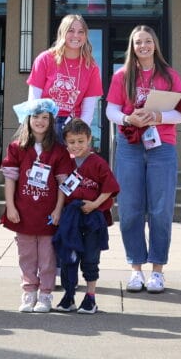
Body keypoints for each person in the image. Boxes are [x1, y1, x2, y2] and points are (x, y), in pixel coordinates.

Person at [104, 24, 181, 293]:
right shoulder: (122, 76)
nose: (143, 46)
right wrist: (127, 118)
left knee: (160, 209)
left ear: (155, 44)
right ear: (132, 47)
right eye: (137, 42)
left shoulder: (169, 76)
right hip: (130, 146)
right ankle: (135, 269)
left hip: (161, 146)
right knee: (130, 209)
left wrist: (158, 117)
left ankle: (157, 270)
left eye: (147, 41)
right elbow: (110, 109)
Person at [1, 98, 67, 312]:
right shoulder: (16, 148)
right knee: (26, 254)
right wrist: (10, 206)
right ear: (27, 119)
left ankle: (46, 294)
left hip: (48, 213)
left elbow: (62, 184)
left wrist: (58, 209)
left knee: (48, 257)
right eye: (36, 117)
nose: (40, 121)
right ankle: (29, 292)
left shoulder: (59, 150)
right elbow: (10, 179)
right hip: (24, 212)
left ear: (51, 121)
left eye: (45, 117)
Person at [52, 118, 119, 314]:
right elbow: (62, 189)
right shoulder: (66, 162)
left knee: (90, 258)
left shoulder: (98, 162)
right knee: (68, 257)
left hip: (92, 218)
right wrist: (58, 210)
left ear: (89, 139)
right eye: (72, 142)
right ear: (65, 143)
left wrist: (95, 204)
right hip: (71, 218)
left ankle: (90, 297)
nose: (76, 146)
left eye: (81, 141)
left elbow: (110, 188)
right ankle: (69, 295)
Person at [27, 14, 102, 130]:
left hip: (71, 125)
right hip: (45, 121)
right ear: (62, 32)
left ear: (85, 35)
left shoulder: (91, 67)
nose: (76, 35)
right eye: (71, 31)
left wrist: (80, 131)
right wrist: (38, 128)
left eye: (81, 32)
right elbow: (34, 100)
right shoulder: (45, 59)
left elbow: (88, 110)